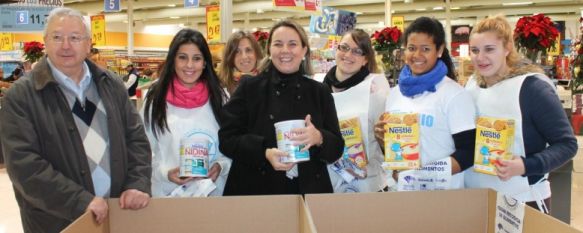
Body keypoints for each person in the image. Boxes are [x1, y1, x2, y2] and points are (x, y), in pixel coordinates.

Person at [0, 7, 151, 233]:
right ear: (45, 42)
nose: (66, 45)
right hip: (56, 222)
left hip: (117, 216)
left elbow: (136, 140)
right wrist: (79, 201)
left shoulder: (110, 85)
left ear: (88, 43)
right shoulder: (23, 96)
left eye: (75, 37)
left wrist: (137, 184)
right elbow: (24, 166)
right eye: (57, 37)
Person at [464, 15, 577, 213]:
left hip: (523, 199)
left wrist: (526, 165)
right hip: (477, 197)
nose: (480, 58)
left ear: (507, 48)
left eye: (489, 49)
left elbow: (567, 145)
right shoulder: (471, 85)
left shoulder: (532, 88)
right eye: (475, 50)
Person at [218, 19, 344, 195]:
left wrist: (319, 137)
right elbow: (227, 139)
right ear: (269, 50)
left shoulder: (319, 91)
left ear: (304, 50)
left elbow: (337, 146)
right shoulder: (250, 88)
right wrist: (264, 152)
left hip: (308, 192)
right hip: (257, 191)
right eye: (278, 44)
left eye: (292, 44)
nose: (285, 50)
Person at [373, 17, 476, 190]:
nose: (417, 55)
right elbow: (396, 150)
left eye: (425, 49)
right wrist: (383, 139)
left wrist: (422, 175)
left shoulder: (454, 95)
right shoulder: (395, 94)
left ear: (440, 50)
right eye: (411, 48)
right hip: (403, 193)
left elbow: (468, 152)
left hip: (442, 197)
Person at [142, 28, 231, 197]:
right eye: (182, 57)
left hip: (212, 195)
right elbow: (142, 149)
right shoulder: (156, 98)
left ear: (205, 63)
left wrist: (221, 166)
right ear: (173, 60)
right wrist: (165, 173)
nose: (189, 65)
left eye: (196, 58)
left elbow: (231, 143)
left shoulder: (220, 97)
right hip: (169, 196)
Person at [322, 29, 390, 193]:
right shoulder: (319, 89)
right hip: (330, 185)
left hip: (368, 184)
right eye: (344, 48)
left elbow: (387, 142)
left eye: (357, 51)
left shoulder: (374, 89)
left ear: (366, 59)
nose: (348, 54)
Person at [218, 31, 264, 95]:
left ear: (256, 53)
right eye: (237, 51)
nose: (244, 57)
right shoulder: (219, 87)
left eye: (248, 50)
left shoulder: (268, 82)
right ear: (230, 56)